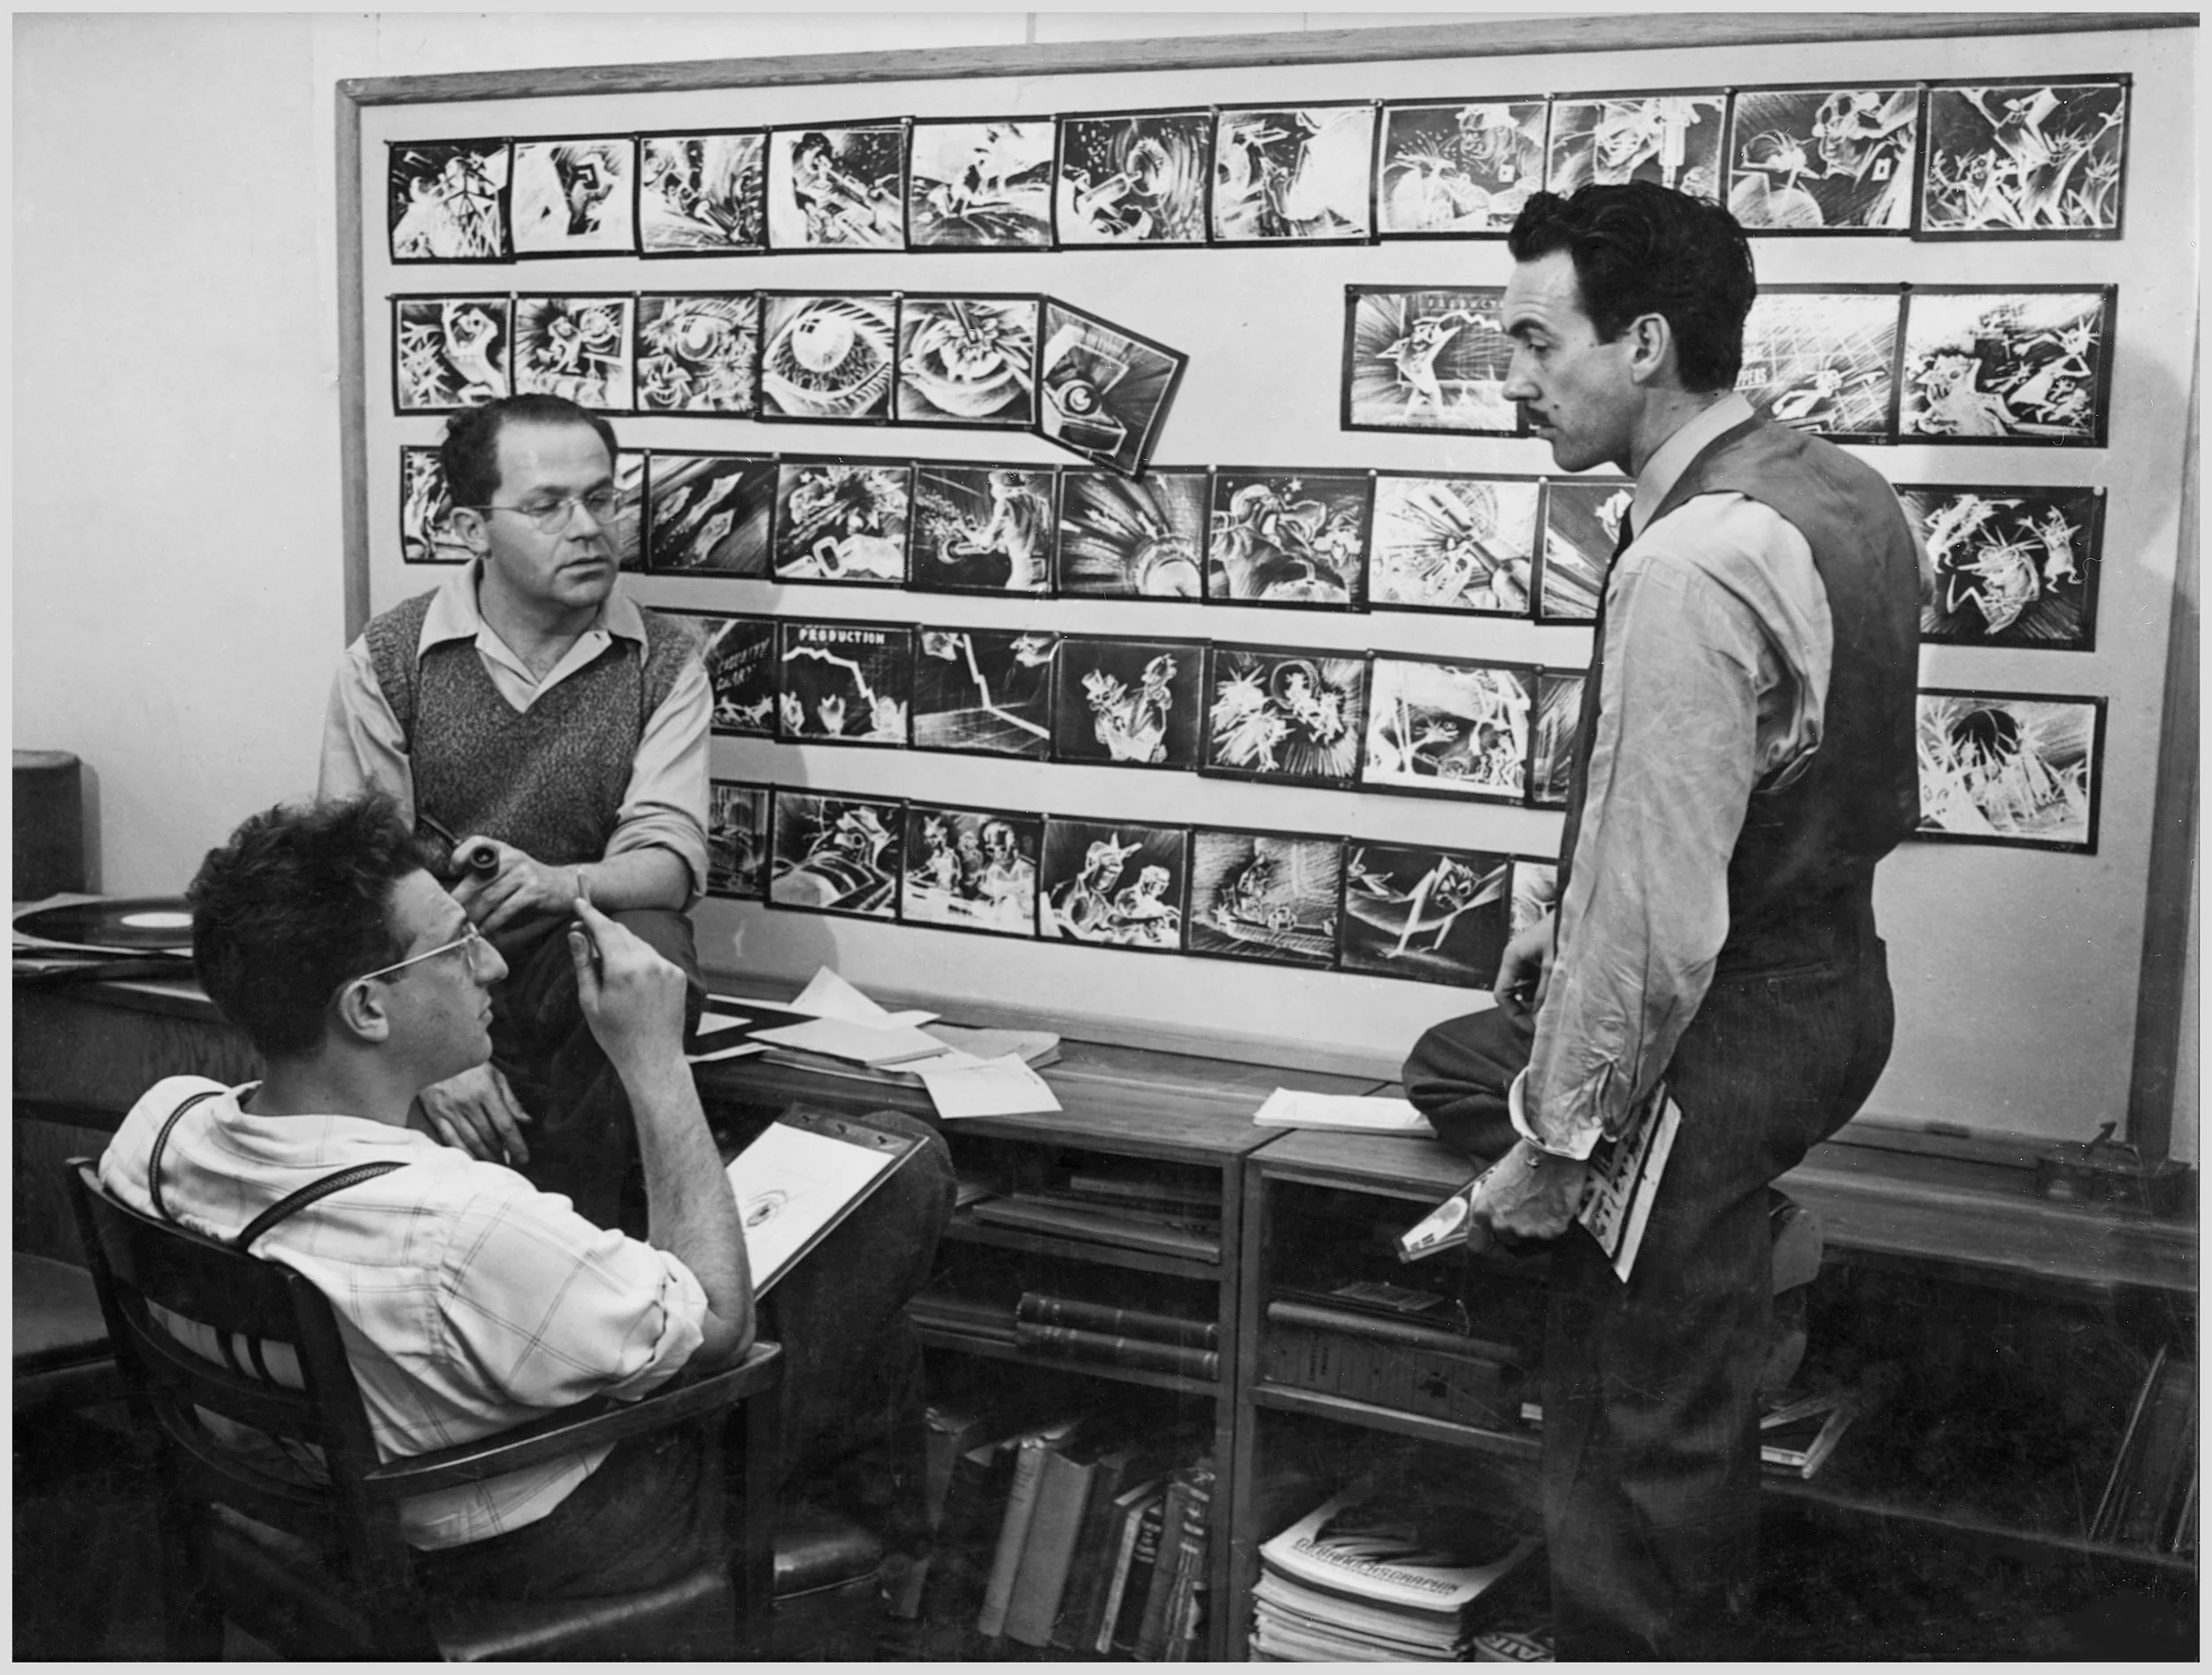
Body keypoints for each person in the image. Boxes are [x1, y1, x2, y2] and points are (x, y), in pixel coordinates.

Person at [1462, 181, 1924, 1657]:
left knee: (1630, 1411)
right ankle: (1714, 1262)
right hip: (1837, 983)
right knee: (1448, 1057)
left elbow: (1659, 935)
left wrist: (1559, 1142)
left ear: (1644, 340)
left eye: (1539, 340)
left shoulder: (1686, 558)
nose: (1513, 375)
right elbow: (1751, 776)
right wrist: (1556, 921)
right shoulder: (1833, 486)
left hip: (1730, 1018)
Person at [98, 795, 752, 1595]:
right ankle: (856, 1585)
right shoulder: (462, 1226)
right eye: (457, 947)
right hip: (509, 1550)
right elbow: (719, 1326)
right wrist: (656, 1059)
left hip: (305, 1504)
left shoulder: (158, 1127)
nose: (495, 965)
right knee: (897, 1184)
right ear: (367, 1007)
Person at [320, 392, 701, 1235]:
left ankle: (585, 1260)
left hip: (571, 962)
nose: (589, 526)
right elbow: (353, 875)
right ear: (469, 527)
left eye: (601, 498)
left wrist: (557, 881)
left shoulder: (665, 661)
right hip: (426, 960)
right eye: (546, 505)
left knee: (652, 945)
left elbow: (668, 864)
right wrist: (429, 1053)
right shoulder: (389, 658)